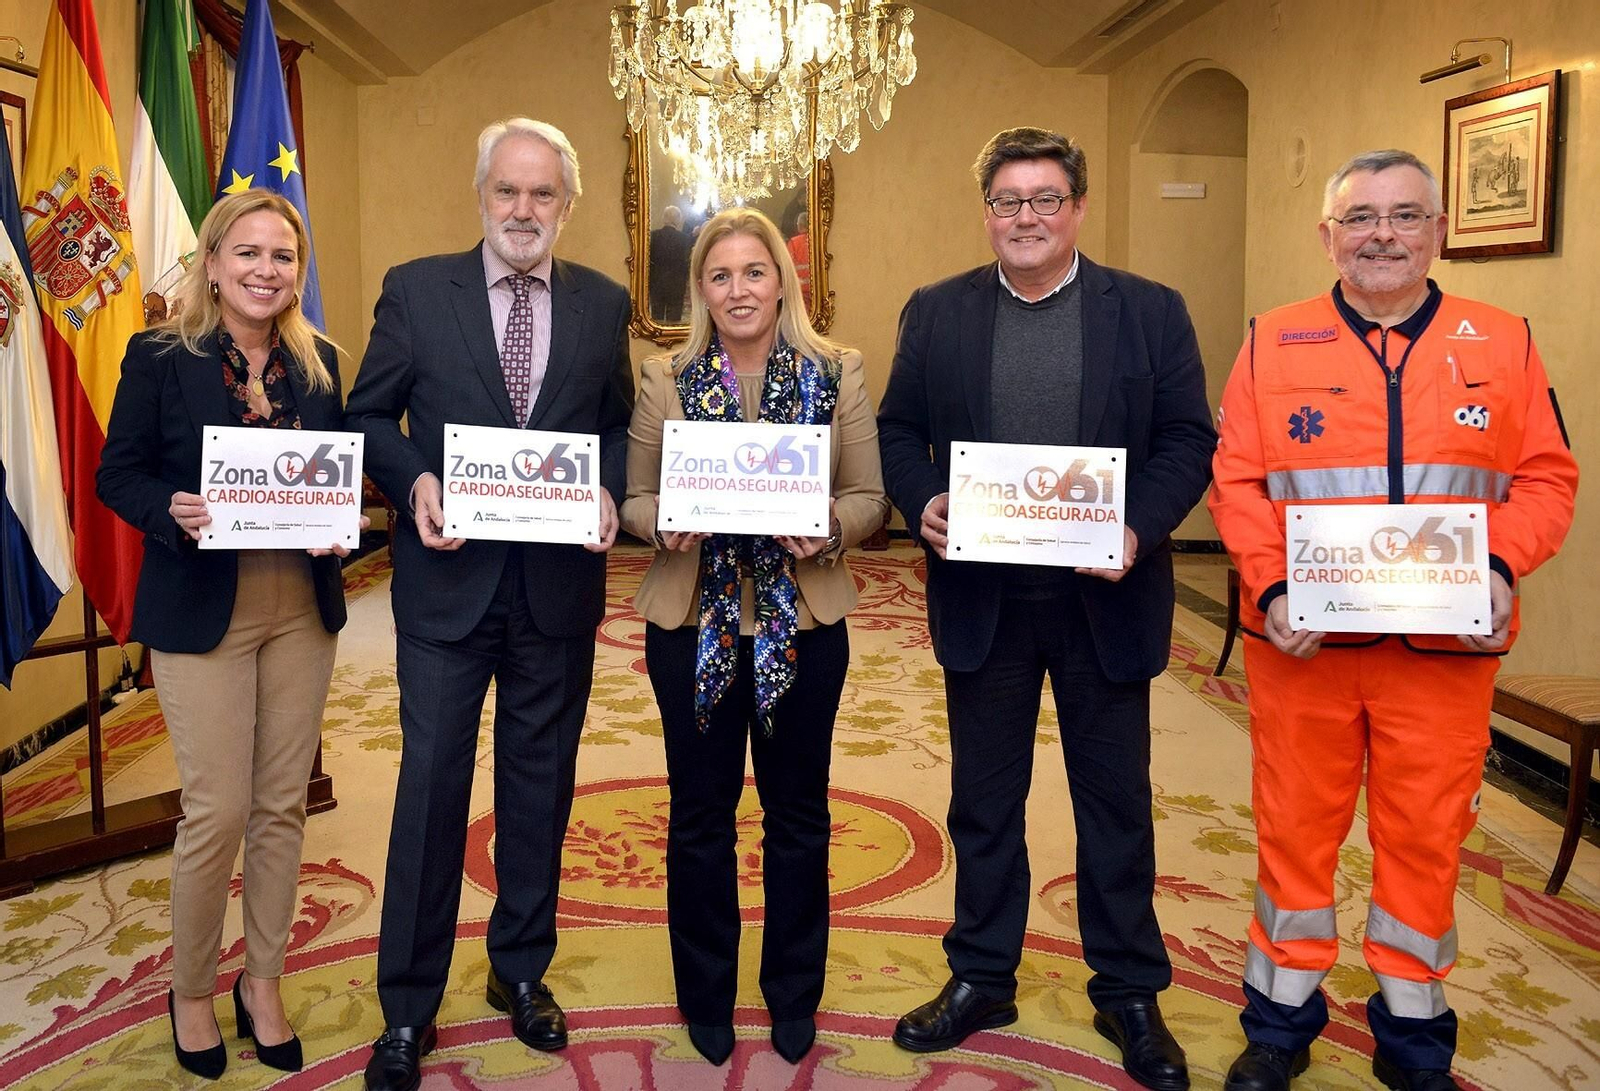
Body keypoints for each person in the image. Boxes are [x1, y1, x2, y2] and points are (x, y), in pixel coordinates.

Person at [1208, 149, 1578, 1091]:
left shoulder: (1505, 340)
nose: (1382, 234)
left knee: (1425, 838)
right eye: (1361, 217)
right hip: (1303, 645)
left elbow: (1546, 477)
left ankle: (1414, 1040)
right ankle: (1280, 1022)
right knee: (1294, 832)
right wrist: (1270, 583)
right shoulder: (1274, 338)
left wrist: (1498, 563)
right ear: (1327, 235)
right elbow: (1238, 481)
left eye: (1405, 216)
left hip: (1444, 654)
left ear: (1439, 231)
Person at [877, 126, 1215, 1091]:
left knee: (1115, 806)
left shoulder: (1150, 311)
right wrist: (922, 499)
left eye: (1045, 199)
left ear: (1076, 208)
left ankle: (1129, 990)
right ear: (987, 214)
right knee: (985, 802)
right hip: (984, 596)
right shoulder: (937, 312)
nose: (1026, 217)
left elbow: (1189, 438)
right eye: (1008, 202)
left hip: (1105, 595)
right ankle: (982, 974)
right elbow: (900, 428)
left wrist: (1139, 531)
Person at [345, 117, 634, 1091]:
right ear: (481, 194)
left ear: (566, 204)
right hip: (445, 583)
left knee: (538, 786)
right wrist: (415, 478)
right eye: (507, 191)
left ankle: (521, 970)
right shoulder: (418, 288)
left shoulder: (603, 302)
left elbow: (620, 427)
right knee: (429, 788)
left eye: (542, 193)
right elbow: (364, 417)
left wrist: (609, 490)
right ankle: (407, 1006)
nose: (523, 210)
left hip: (555, 590)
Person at [96, 189, 357, 1080]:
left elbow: (335, 479)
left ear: (298, 269)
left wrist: (342, 514)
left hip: (300, 609)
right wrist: (166, 508)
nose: (264, 270)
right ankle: (194, 989)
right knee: (219, 808)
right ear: (212, 262)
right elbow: (116, 473)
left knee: (283, 802)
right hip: (201, 607)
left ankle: (265, 981)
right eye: (246, 253)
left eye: (282, 256)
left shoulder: (318, 363)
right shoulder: (160, 355)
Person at [620, 208, 887, 1066]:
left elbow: (869, 496)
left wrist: (830, 528)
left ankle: (792, 995)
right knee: (699, 817)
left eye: (755, 272)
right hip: (692, 622)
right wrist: (662, 521)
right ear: (700, 288)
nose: (739, 290)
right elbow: (631, 500)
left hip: (802, 624)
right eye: (720, 275)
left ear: (783, 281)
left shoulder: (835, 369)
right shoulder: (666, 375)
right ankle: (705, 995)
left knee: (798, 816)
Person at [649, 204, 691, 323]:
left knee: (656, 320)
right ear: (678, 220)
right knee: (674, 320)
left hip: (656, 282)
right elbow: (686, 262)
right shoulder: (684, 239)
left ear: (664, 218)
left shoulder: (653, 236)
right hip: (676, 284)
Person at [786, 210, 812, 312]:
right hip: (817, 289)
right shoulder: (816, 240)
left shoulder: (794, 242)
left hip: (800, 290)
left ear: (800, 225)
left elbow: (788, 266)